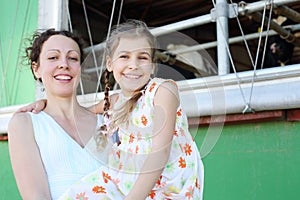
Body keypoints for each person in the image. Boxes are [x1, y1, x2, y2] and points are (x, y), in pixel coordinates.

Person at [19, 20, 204, 199]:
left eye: (143, 57)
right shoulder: (115, 102)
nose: (133, 65)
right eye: (124, 56)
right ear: (110, 64)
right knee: (79, 193)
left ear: (153, 66)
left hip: (166, 187)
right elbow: (80, 112)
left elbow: (160, 154)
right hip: (129, 185)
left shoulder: (162, 91)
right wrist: (44, 104)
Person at [8, 29, 103, 199]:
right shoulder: (26, 123)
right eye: (53, 57)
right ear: (36, 69)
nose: (64, 64)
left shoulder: (106, 121)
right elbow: (36, 196)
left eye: (73, 58)